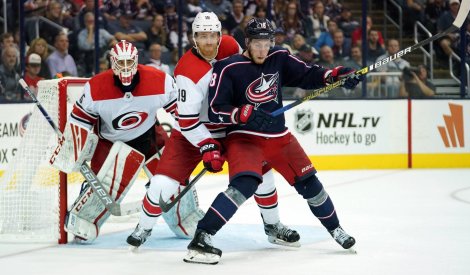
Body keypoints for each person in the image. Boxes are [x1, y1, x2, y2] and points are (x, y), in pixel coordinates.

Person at [184, 17, 361, 265]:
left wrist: (336, 75)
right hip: (244, 138)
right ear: (247, 42)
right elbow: (215, 109)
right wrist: (239, 113)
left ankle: (336, 229)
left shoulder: (279, 57)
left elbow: (308, 75)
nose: (262, 49)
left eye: (267, 42)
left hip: (279, 137)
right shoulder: (227, 67)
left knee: (311, 185)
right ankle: (202, 236)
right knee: (244, 185)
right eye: (257, 43)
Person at [126, 12, 300, 249]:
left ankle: (273, 226)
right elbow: (186, 120)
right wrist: (207, 145)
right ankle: (143, 228)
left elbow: (250, 70)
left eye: (212, 35)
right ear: (193, 38)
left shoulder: (230, 45)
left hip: (232, 128)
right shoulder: (186, 70)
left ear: (220, 35)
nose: (208, 41)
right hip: (193, 133)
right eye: (202, 36)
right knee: (160, 186)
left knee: (263, 177)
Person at [49, 40, 178, 242]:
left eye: (129, 63)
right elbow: (81, 120)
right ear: (112, 62)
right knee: (103, 188)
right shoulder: (96, 87)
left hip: (149, 138)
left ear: (136, 61)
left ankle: (183, 216)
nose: (125, 69)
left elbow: (182, 113)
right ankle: (84, 217)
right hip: (109, 143)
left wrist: (199, 135)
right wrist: (71, 147)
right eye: (120, 63)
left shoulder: (160, 80)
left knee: (172, 181)